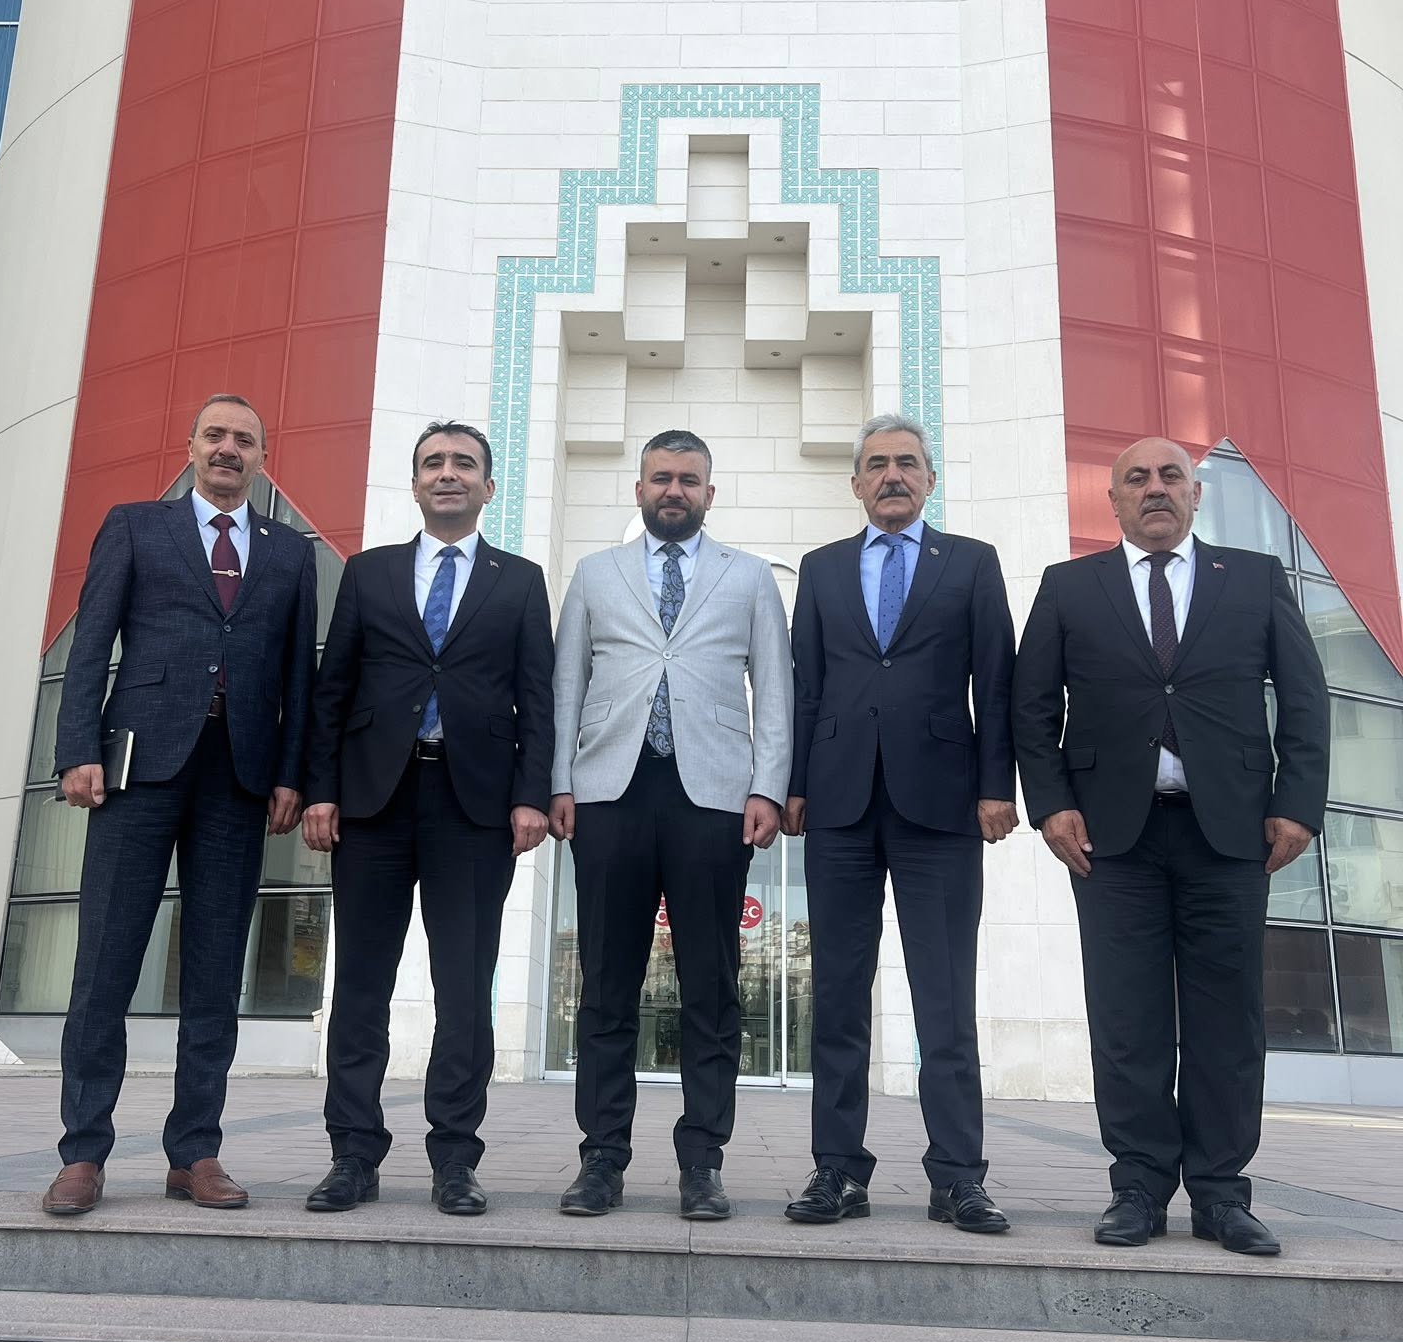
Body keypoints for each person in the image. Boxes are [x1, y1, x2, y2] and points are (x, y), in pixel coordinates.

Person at [1012, 438, 1330, 1256]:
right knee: (1128, 1020)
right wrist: (1050, 806)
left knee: (1229, 1019)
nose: (1155, 489)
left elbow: (1305, 697)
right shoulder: (1068, 587)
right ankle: (1139, 1188)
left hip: (1230, 834)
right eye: (1137, 479)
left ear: (1196, 494)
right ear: (1113, 501)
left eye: (1170, 477)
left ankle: (1221, 1195)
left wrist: (1297, 805)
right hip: (1111, 839)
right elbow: (1031, 708)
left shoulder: (1254, 579)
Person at [43, 395, 316, 1216]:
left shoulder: (291, 552)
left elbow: (298, 674)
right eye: (216, 435)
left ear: (262, 456)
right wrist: (77, 750)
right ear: (191, 445)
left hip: (238, 777)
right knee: (105, 964)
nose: (229, 448)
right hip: (138, 770)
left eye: (245, 440)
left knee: (214, 971)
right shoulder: (136, 526)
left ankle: (194, 1151)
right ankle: (83, 1153)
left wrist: (292, 774)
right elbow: (92, 644)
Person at [301, 422, 554, 1216]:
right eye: (433, 463)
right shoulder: (369, 573)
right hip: (372, 802)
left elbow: (538, 697)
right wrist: (320, 789)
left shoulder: (520, 581)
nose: (449, 474)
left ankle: (455, 1159)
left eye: (464, 464)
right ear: (414, 485)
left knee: (464, 989)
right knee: (361, 986)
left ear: (488, 487)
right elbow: (333, 688)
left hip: (474, 806)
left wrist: (531, 794)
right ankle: (353, 1155)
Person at [550, 430, 792, 1221]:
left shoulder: (749, 577)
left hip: (713, 797)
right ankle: (602, 1159)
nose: (674, 490)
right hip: (609, 793)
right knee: (606, 986)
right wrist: (560, 782)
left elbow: (775, 689)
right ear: (640, 489)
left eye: (689, 479)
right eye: (661, 477)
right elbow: (565, 682)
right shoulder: (596, 574)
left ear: (709, 494)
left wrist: (768, 786)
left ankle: (702, 1162)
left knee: (711, 986)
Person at [783, 415, 1017, 1232]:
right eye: (878, 464)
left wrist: (996, 786)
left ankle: (957, 1177)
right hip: (839, 805)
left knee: (944, 1000)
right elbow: (805, 685)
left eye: (908, 463)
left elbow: (997, 682)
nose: (893, 475)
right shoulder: (821, 568)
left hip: (942, 806)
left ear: (930, 479)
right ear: (855, 483)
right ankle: (837, 1171)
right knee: (838, 995)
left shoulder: (972, 564)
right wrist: (794, 785)